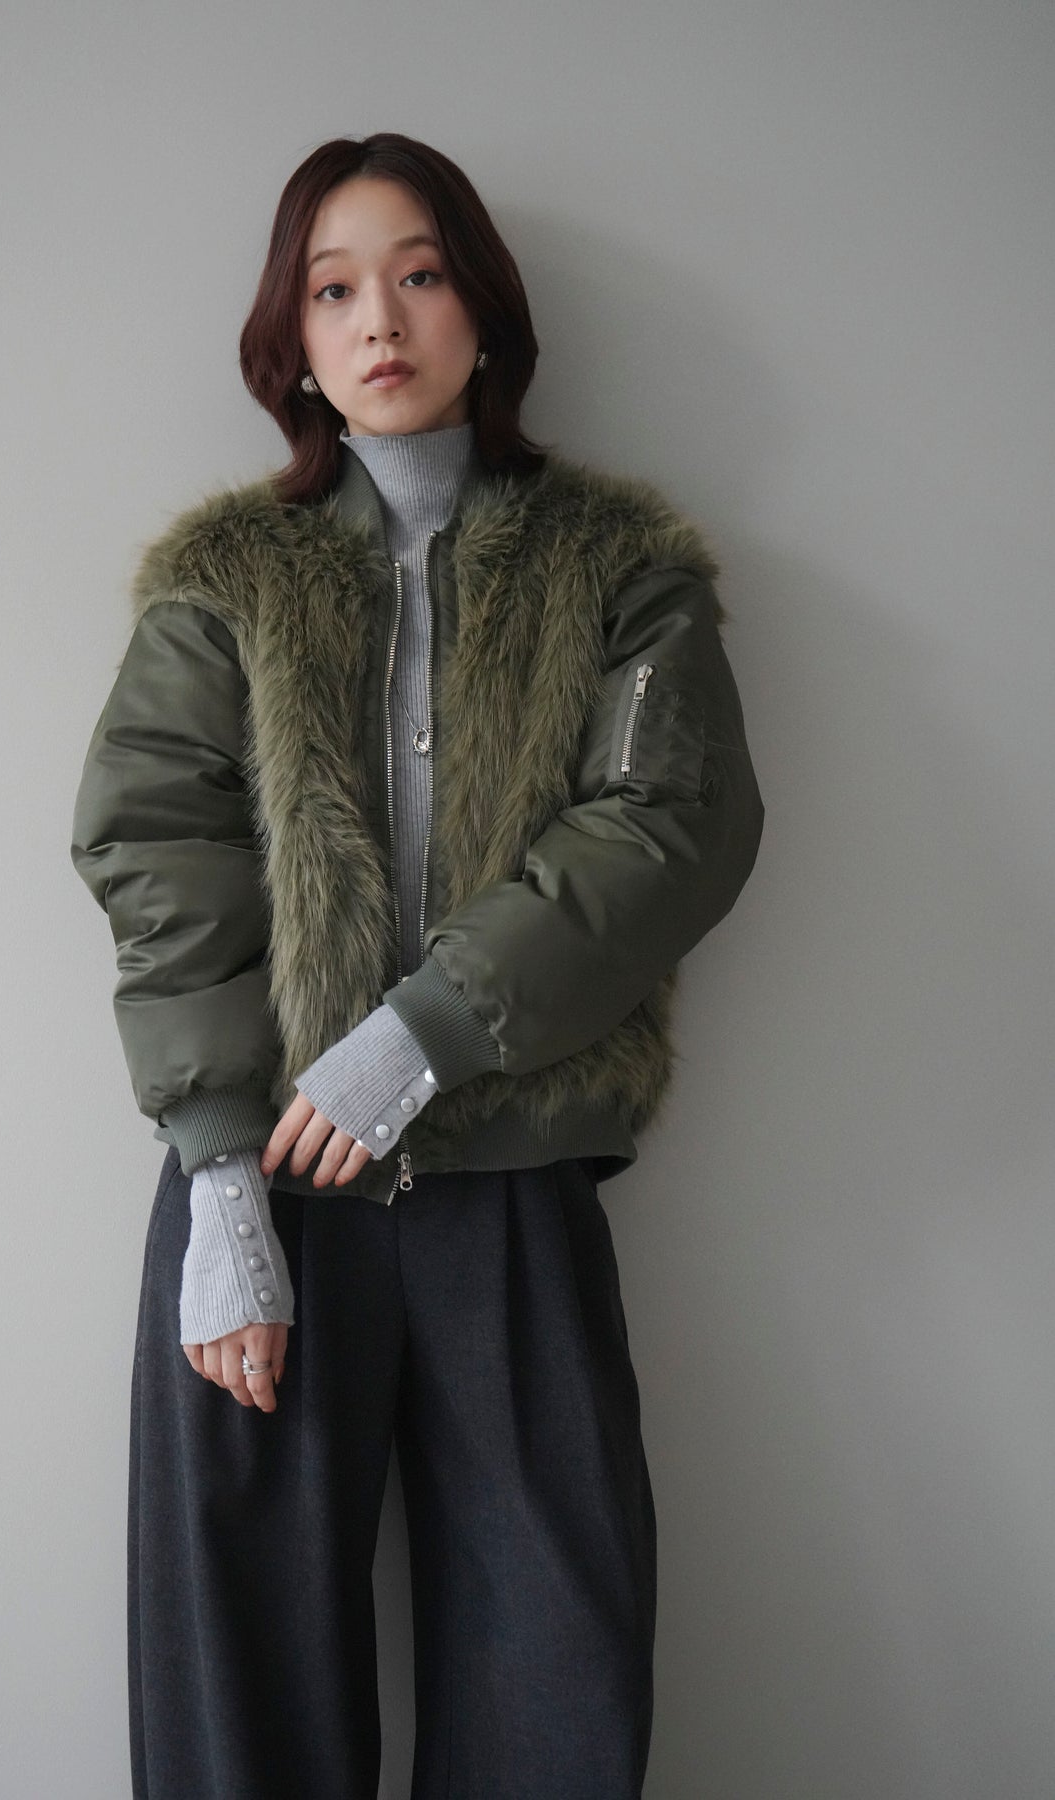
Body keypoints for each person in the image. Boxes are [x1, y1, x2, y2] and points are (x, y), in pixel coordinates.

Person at [71, 130, 763, 1800]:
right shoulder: (220, 586)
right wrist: (220, 1182)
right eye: (331, 289)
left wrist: (422, 1035)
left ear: (483, 310)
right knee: (239, 1702)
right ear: (291, 340)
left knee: (554, 1677)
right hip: (266, 1189)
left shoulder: (622, 570)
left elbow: (668, 825)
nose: (377, 318)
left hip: (511, 1184)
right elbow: (159, 855)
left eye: (418, 272)